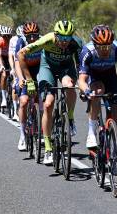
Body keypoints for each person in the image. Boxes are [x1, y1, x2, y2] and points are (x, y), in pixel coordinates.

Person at [17, 20, 82, 165]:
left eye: (68, 38)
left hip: (66, 68)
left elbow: (81, 64)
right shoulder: (47, 40)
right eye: (62, 38)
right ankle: (47, 149)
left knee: (69, 85)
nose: (65, 41)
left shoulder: (76, 43)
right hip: (48, 69)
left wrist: (83, 83)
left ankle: (70, 119)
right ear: (56, 35)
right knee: (48, 104)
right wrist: (28, 79)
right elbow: (20, 54)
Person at [78, 25, 117, 149]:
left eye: (108, 46)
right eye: (101, 47)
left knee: (115, 113)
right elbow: (81, 80)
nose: (105, 50)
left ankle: (115, 145)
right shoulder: (87, 51)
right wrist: (86, 91)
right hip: (93, 75)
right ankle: (91, 132)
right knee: (97, 92)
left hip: (110, 75)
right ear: (95, 45)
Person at [14, 22, 40, 151]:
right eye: (29, 36)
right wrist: (20, 78)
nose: (32, 39)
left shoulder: (41, 42)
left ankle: (39, 126)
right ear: (25, 35)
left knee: (42, 100)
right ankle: (22, 135)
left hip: (38, 70)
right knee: (23, 102)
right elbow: (17, 62)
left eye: (34, 36)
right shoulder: (21, 42)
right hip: (24, 70)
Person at [0, 26, 13, 108]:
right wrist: (1, 66)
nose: (6, 38)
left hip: (10, 58)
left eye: (8, 36)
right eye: (4, 36)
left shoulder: (12, 41)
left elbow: (15, 55)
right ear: (2, 36)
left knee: (13, 76)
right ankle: (3, 98)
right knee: (4, 75)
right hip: (2, 58)